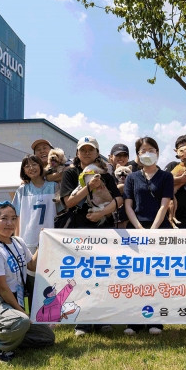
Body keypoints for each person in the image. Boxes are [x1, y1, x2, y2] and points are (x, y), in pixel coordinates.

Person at [59, 135, 122, 336]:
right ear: (77, 153)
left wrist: (102, 213)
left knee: (103, 273)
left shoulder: (105, 174)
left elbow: (119, 199)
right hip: (79, 227)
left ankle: (103, 318)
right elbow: (68, 202)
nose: (87, 153)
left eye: (91, 150)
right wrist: (89, 186)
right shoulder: (70, 174)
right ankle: (83, 321)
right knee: (81, 273)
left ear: (97, 153)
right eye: (83, 150)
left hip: (103, 228)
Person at [0, 201, 55, 363]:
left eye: (13, 218)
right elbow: (3, 288)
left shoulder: (18, 242)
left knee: (47, 338)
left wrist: (41, 242)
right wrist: (22, 312)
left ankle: (11, 334)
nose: (10, 223)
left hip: (18, 299)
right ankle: (0, 345)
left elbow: (32, 265)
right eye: (4, 218)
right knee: (21, 321)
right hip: (0, 302)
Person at [123, 136, 174, 335]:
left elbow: (165, 204)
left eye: (151, 149)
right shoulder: (131, 177)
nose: (147, 153)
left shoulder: (166, 176)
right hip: (135, 231)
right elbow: (128, 205)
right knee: (135, 277)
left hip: (159, 230)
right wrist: (139, 229)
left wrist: (153, 230)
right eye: (143, 151)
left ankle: (156, 320)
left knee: (157, 276)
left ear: (158, 153)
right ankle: (133, 321)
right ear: (137, 156)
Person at [12, 155, 58, 306]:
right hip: (28, 239)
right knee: (31, 278)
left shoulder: (53, 187)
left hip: (50, 238)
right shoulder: (22, 190)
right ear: (23, 170)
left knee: (51, 276)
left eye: (34, 164)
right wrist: (16, 239)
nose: (31, 168)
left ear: (41, 166)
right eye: (27, 166)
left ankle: (50, 312)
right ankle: (34, 313)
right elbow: (16, 216)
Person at [164, 135, 186, 229]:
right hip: (178, 219)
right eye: (180, 149)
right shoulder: (173, 165)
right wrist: (181, 180)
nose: (185, 151)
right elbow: (162, 183)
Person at [108, 143, 138, 228]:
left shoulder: (130, 172)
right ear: (111, 156)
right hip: (111, 215)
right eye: (118, 155)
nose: (121, 158)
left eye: (124, 155)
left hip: (126, 215)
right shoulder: (107, 169)